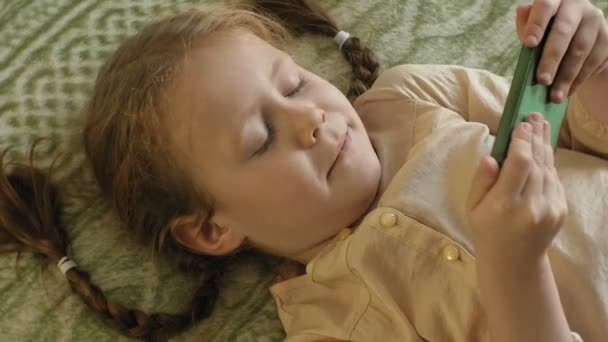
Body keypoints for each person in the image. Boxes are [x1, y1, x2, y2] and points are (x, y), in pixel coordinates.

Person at [1, 0, 607, 341]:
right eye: (261, 138)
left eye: (293, 81)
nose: (310, 118)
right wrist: (513, 265)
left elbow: (586, 137)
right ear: (212, 230)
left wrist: (594, 68)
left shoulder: (411, 96)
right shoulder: (328, 321)